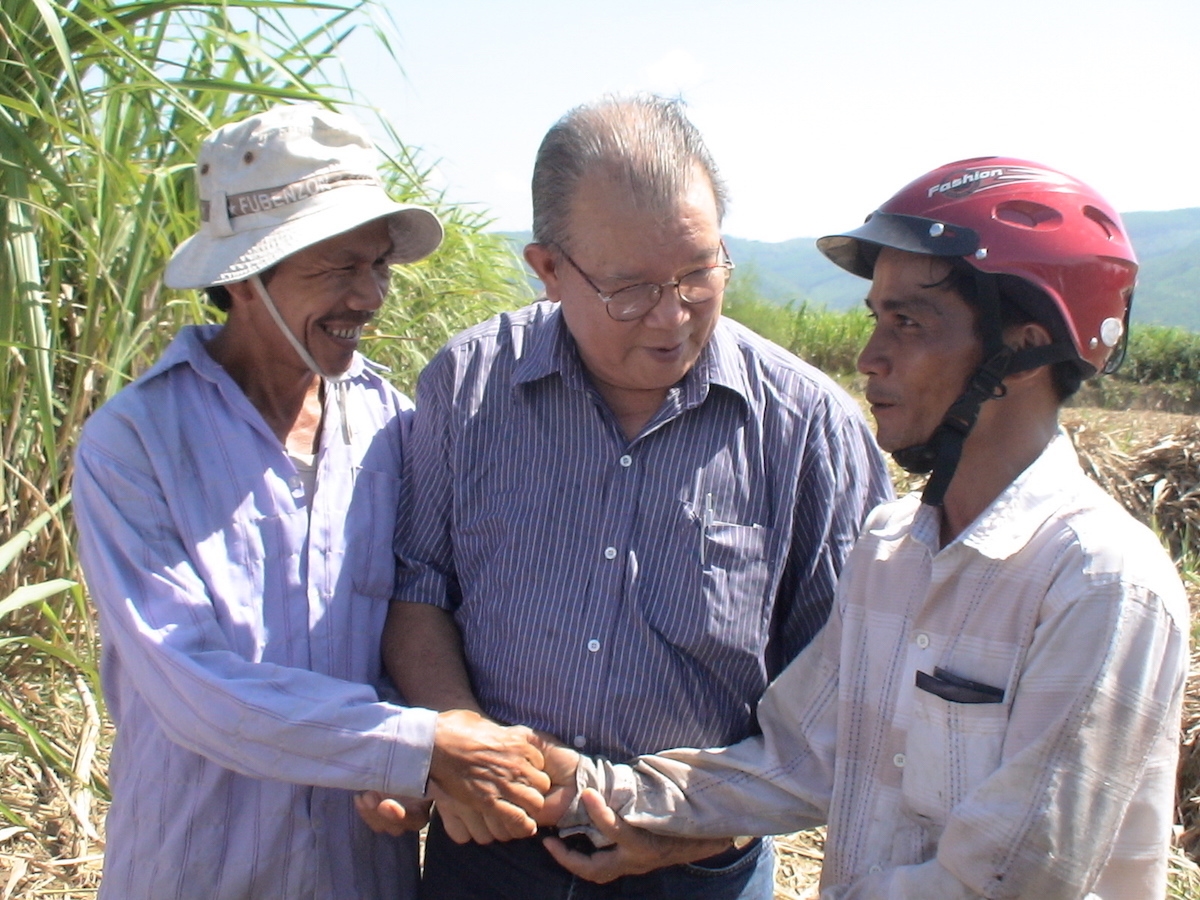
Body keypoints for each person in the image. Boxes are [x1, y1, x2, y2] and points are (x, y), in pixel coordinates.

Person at [545, 158, 1191, 899]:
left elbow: (1011, 880)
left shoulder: (1099, 584)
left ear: (1021, 348)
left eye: (908, 323)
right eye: (876, 319)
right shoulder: (891, 550)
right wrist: (592, 790)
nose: (868, 358)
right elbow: (799, 757)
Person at [376, 94, 891, 899]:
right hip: (492, 851)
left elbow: (844, 688)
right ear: (548, 270)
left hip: (698, 865)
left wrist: (691, 826)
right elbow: (418, 586)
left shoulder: (806, 427)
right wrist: (461, 734)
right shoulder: (469, 387)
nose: (671, 316)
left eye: (700, 273)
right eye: (631, 289)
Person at [73, 103, 552, 900]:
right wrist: (415, 745)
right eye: (337, 267)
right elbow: (190, 685)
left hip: (355, 874)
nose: (369, 297)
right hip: (194, 868)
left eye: (379, 266)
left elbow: (410, 619)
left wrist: (408, 776)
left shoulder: (391, 428)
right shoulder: (138, 443)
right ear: (244, 278)